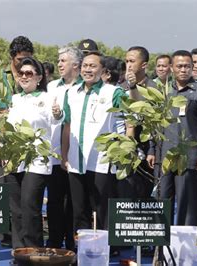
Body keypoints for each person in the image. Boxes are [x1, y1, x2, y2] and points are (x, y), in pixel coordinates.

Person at [62, 51, 125, 232]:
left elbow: (128, 121)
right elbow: (68, 125)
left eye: (93, 66)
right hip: (75, 160)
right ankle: (83, 248)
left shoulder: (113, 92)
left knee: (102, 208)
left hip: (101, 161)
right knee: (79, 209)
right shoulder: (72, 92)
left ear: (103, 70)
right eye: (85, 66)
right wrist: (64, 155)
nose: (87, 69)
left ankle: (105, 249)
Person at [6, 57, 62, 249]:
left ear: (39, 77)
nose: (24, 77)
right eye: (21, 73)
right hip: (14, 158)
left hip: (37, 159)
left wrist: (57, 113)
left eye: (29, 73)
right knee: (16, 209)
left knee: (30, 206)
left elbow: (56, 120)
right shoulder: (14, 99)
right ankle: (18, 250)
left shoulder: (47, 98)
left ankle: (33, 250)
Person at [147, 50, 197, 226]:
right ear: (171, 68)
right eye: (179, 66)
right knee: (162, 203)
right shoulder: (163, 92)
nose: (184, 70)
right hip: (164, 157)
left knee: (187, 207)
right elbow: (154, 125)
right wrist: (151, 149)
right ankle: (161, 250)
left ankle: (184, 252)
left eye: (187, 66)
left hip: (189, 158)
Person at [46, 46, 83, 250]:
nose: (59, 64)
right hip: (54, 153)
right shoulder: (52, 86)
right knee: (54, 200)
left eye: (63, 61)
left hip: (76, 154)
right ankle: (53, 240)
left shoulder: (84, 87)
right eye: (58, 61)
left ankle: (72, 242)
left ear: (76, 65)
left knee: (74, 202)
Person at [120, 46, 156, 199]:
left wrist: (151, 151)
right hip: (126, 147)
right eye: (127, 61)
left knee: (145, 193)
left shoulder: (154, 88)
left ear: (144, 65)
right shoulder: (120, 88)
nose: (128, 65)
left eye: (132, 61)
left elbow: (155, 122)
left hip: (147, 148)